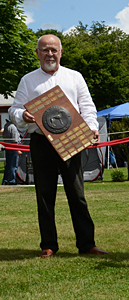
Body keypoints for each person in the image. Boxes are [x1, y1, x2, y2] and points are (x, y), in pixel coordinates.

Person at [9, 34, 109, 258]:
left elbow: (88, 107)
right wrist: (23, 115)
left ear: (61, 52)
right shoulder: (28, 80)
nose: (50, 54)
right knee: (45, 194)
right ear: (37, 53)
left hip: (72, 139)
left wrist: (92, 127)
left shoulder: (75, 77)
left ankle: (87, 244)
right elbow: (14, 110)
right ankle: (48, 245)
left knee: (77, 193)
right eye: (45, 50)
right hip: (41, 142)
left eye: (54, 50)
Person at [2, 119, 22, 185]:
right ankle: (11, 181)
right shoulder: (13, 127)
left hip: (8, 147)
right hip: (14, 148)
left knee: (8, 165)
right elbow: (15, 140)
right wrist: (18, 150)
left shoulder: (6, 125)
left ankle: (5, 180)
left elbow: (3, 135)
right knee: (13, 165)